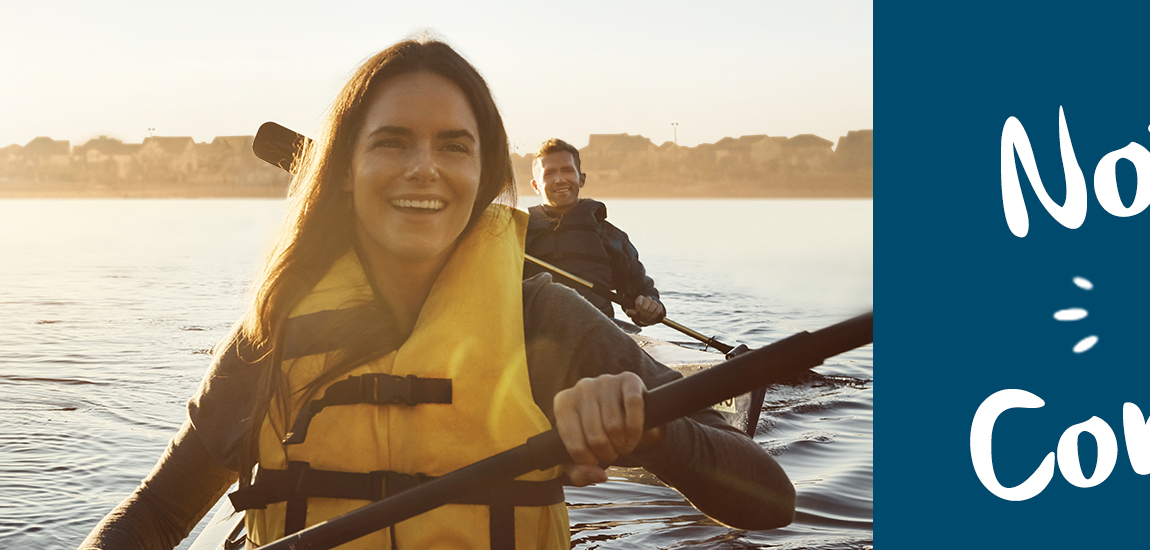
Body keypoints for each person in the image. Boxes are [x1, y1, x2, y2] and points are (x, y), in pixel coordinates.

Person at [76, 37, 791, 550]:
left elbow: (770, 500)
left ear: (482, 179)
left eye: (454, 145)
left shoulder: (545, 322)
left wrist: (655, 436)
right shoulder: (271, 338)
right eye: (391, 142)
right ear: (345, 171)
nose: (425, 168)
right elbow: (156, 516)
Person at [523, 139, 667, 328]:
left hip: (597, 337)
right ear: (536, 185)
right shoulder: (517, 232)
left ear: (581, 179)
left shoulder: (609, 235)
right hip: (536, 337)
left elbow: (641, 292)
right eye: (549, 173)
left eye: (567, 170)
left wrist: (650, 306)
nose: (559, 179)